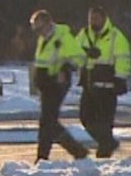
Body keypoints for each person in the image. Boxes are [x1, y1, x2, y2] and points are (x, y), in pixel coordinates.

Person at [30, 9, 88, 164]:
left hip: (57, 83)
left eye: (40, 28)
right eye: (36, 29)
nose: (38, 32)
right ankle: (48, 157)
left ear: (49, 24)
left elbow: (79, 57)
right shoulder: (45, 38)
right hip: (46, 84)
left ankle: (72, 152)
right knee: (48, 122)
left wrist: (65, 69)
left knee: (48, 121)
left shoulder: (62, 37)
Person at [76, 6, 131, 158]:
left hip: (107, 87)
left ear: (104, 19)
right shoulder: (84, 34)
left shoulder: (115, 36)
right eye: (90, 18)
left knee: (105, 123)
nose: (92, 22)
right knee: (86, 119)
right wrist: (85, 53)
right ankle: (109, 143)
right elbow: (74, 53)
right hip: (89, 85)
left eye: (95, 18)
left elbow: (123, 58)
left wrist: (120, 79)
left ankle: (104, 155)